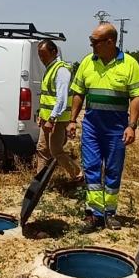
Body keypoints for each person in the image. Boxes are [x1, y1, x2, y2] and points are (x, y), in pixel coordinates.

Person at [67, 23, 139, 232]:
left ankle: (110, 213)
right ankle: (94, 214)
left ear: (110, 42)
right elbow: (79, 93)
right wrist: (72, 120)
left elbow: (136, 96)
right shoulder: (87, 62)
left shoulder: (129, 64)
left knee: (113, 170)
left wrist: (132, 125)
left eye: (95, 41)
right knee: (92, 169)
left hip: (116, 129)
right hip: (92, 127)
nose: (91, 45)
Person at [35, 39, 81, 184]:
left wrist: (52, 119)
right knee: (42, 149)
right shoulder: (50, 68)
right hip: (47, 119)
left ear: (54, 52)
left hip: (57, 120)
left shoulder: (61, 70)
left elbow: (60, 99)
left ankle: (78, 174)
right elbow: (47, 97)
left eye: (44, 54)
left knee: (56, 151)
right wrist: (41, 115)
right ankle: (39, 182)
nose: (42, 58)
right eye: (39, 55)